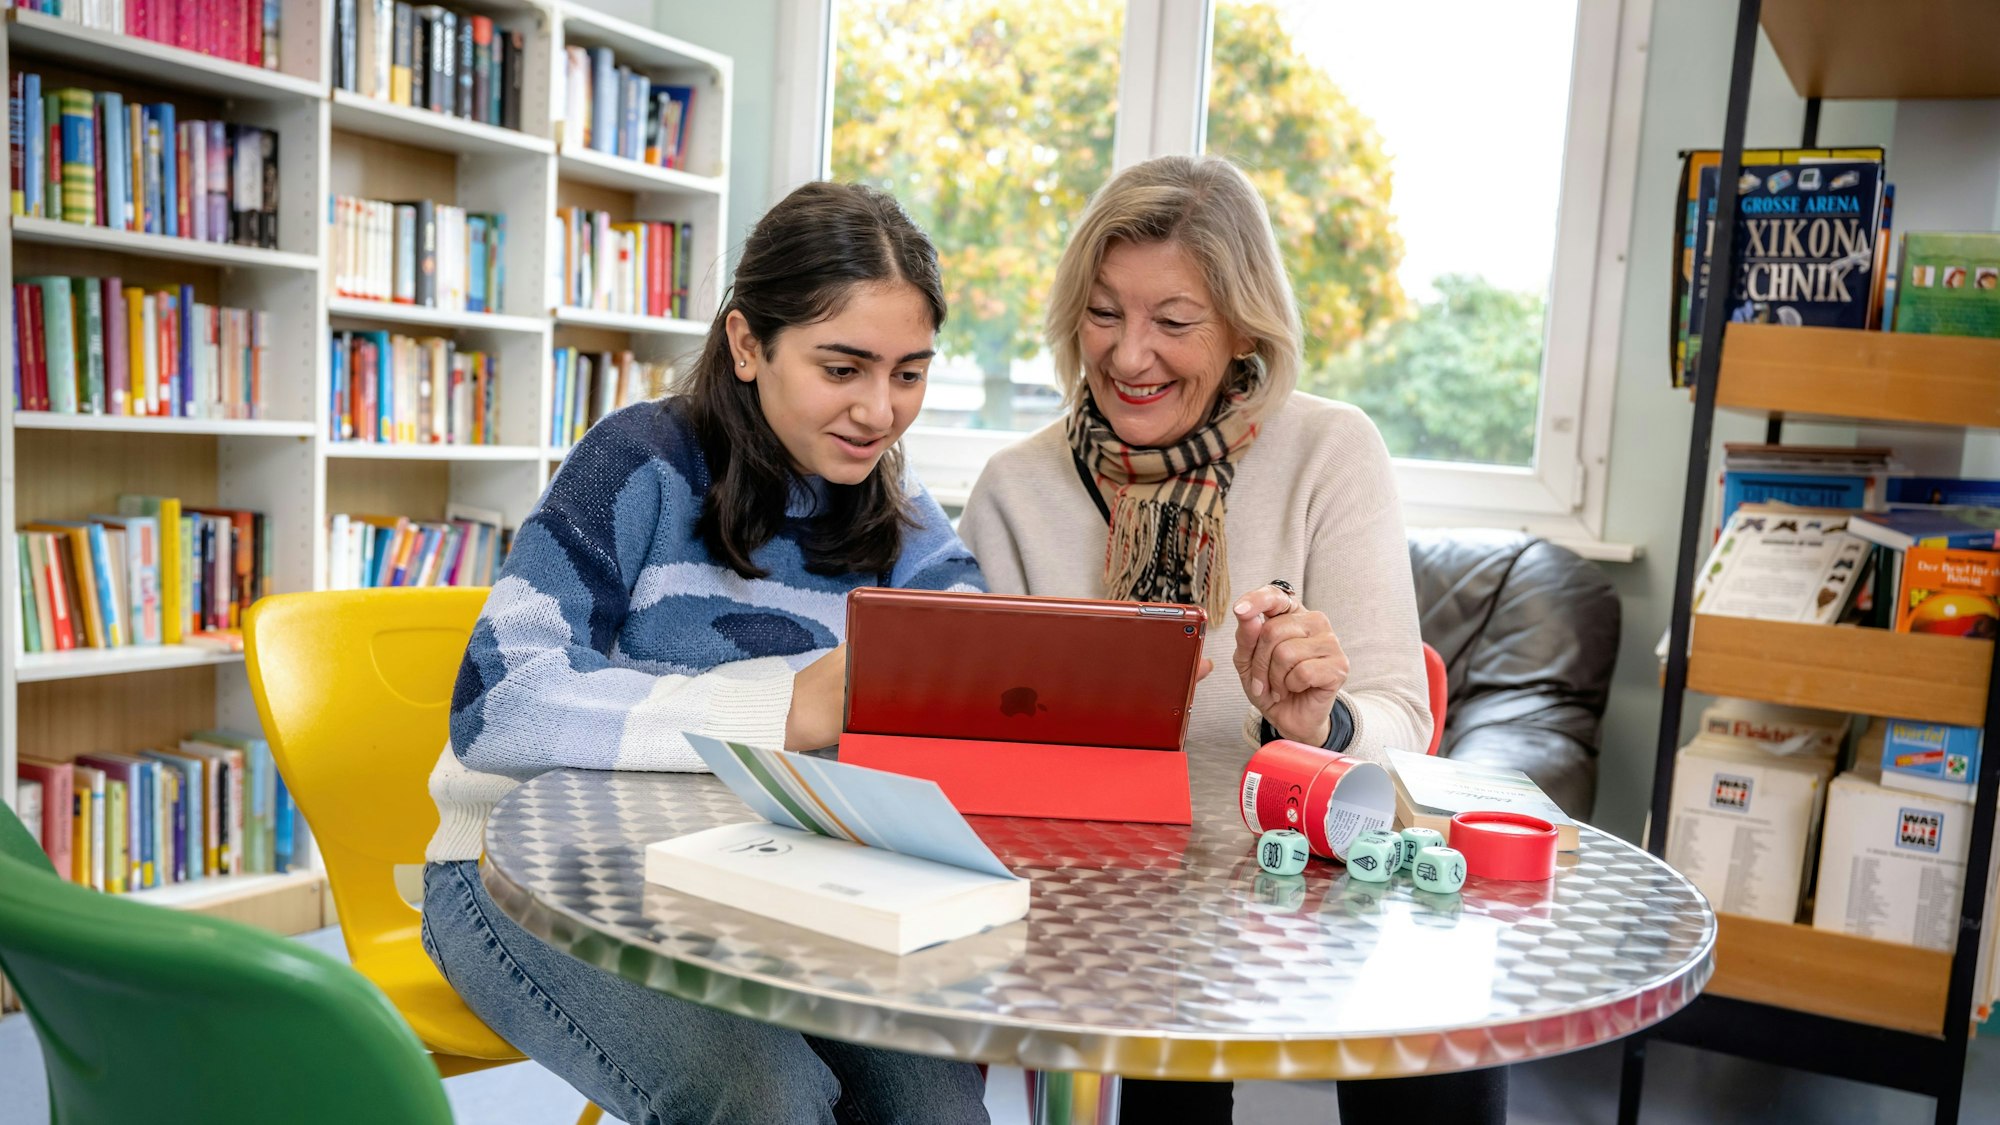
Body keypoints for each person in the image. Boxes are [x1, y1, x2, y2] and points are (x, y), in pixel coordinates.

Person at [421, 181, 991, 1125]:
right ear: (744, 344)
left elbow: (977, 664)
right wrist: (777, 707)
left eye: (909, 373)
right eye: (842, 368)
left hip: (755, 884)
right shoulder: (640, 458)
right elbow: (497, 703)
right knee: (761, 1098)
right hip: (524, 871)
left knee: (938, 1104)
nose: (880, 410)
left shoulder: (901, 513)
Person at [957, 155, 1503, 1123]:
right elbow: (970, 747)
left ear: (1245, 325)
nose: (1129, 356)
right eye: (1101, 313)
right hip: (1106, 904)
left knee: (1444, 1046)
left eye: (1172, 322)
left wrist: (1319, 725)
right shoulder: (1014, 490)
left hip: (1305, 882)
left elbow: (1401, 722)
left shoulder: (1329, 453)